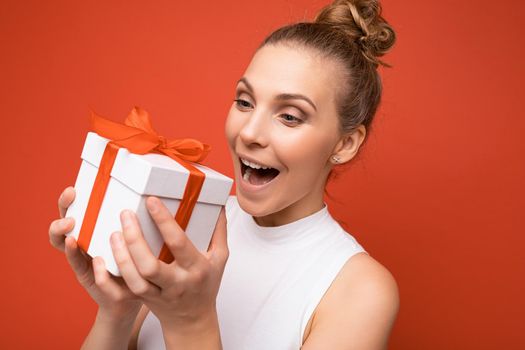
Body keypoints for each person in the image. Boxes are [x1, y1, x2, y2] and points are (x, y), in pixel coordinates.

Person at [49, 0, 399, 348]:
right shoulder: (188, 221)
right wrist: (118, 310)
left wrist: (191, 321)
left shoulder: (361, 290)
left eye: (290, 116)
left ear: (345, 143)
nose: (249, 132)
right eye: (245, 102)